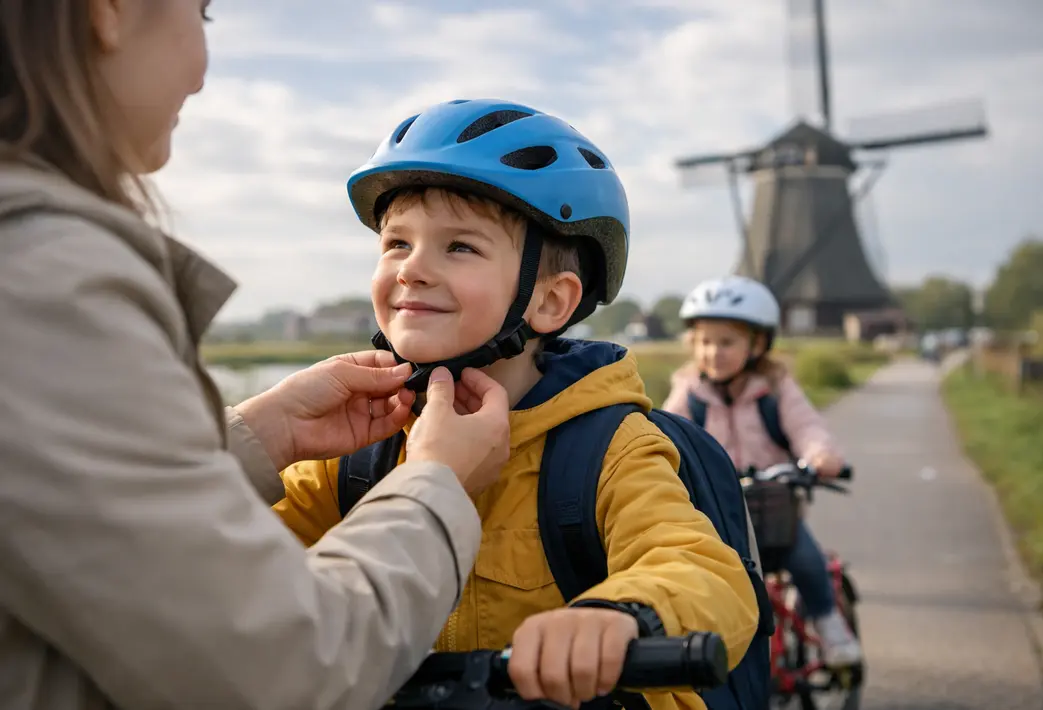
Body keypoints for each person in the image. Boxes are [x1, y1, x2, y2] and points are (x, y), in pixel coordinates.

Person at [0, 2, 513, 709]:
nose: (204, 74)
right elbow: (288, 664)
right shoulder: (42, 279)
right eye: (202, 13)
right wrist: (437, 485)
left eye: (459, 246)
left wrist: (256, 436)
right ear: (109, 12)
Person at [273, 98, 761, 710]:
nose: (412, 270)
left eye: (459, 248)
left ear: (551, 303)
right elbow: (220, 558)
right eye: (397, 242)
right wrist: (261, 439)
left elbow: (702, 569)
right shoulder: (357, 447)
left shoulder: (605, 448)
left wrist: (617, 617)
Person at [661, 276, 863, 667]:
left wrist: (820, 455)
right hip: (717, 513)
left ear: (757, 344)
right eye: (704, 341)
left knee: (805, 558)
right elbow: (665, 432)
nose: (713, 352)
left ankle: (829, 623)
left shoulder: (775, 388)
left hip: (773, 509)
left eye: (726, 342)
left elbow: (807, 427)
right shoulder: (689, 392)